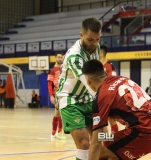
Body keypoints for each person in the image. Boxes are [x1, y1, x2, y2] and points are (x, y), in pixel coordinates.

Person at [82, 60, 151, 160]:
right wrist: (100, 136)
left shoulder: (101, 97)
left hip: (146, 133)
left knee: (100, 152)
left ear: (89, 80)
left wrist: (94, 137)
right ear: (105, 73)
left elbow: (96, 143)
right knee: (112, 149)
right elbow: (105, 136)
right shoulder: (123, 79)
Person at [55, 17, 102, 160]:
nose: (94, 44)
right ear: (81, 35)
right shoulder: (75, 56)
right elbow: (88, 82)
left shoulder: (96, 48)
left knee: (102, 137)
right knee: (84, 144)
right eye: (90, 40)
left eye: (97, 39)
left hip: (87, 98)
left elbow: (98, 76)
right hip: (70, 100)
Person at [99, 45, 118, 133]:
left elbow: (113, 81)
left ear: (101, 54)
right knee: (97, 120)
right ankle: (97, 139)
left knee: (111, 119)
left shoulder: (110, 66)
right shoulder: (96, 66)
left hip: (107, 96)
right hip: (96, 96)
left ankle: (114, 138)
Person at [48, 51, 66, 141]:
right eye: (58, 57)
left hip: (64, 94)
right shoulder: (52, 70)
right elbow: (49, 84)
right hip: (57, 95)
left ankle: (58, 132)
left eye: (61, 57)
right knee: (57, 113)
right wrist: (51, 96)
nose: (60, 59)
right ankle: (54, 133)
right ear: (55, 58)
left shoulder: (64, 68)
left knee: (61, 114)